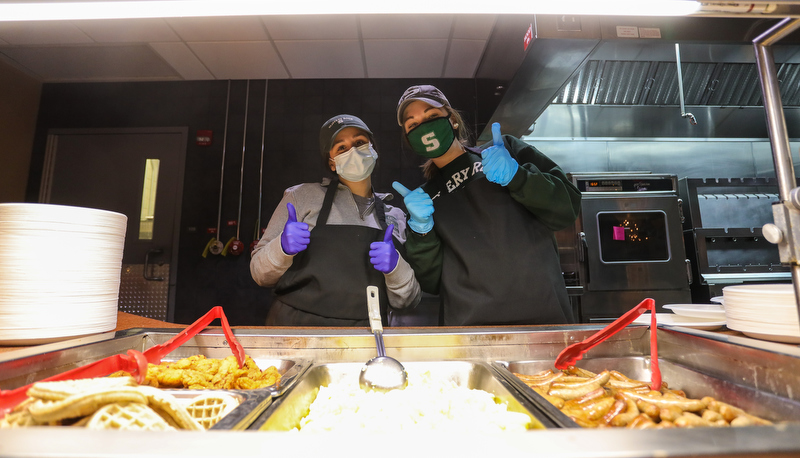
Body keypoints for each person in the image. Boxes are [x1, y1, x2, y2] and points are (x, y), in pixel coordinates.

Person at [392, 85, 581, 326]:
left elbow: (566, 209)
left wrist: (518, 176)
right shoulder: (425, 200)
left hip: (542, 316)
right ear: (410, 140)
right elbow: (432, 281)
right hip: (469, 328)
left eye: (431, 116)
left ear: (453, 121)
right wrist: (421, 230)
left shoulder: (506, 152)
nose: (424, 127)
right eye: (413, 125)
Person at [251, 114, 421, 326]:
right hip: (294, 329)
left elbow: (408, 301)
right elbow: (260, 274)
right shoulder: (301, 197)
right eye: (341, 148)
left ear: (373, 150)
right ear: (332, 163)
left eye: (359, 143)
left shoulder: (395, 216)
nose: (353, 152)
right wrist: (282, 248)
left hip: (364, 335)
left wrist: (396, 269)